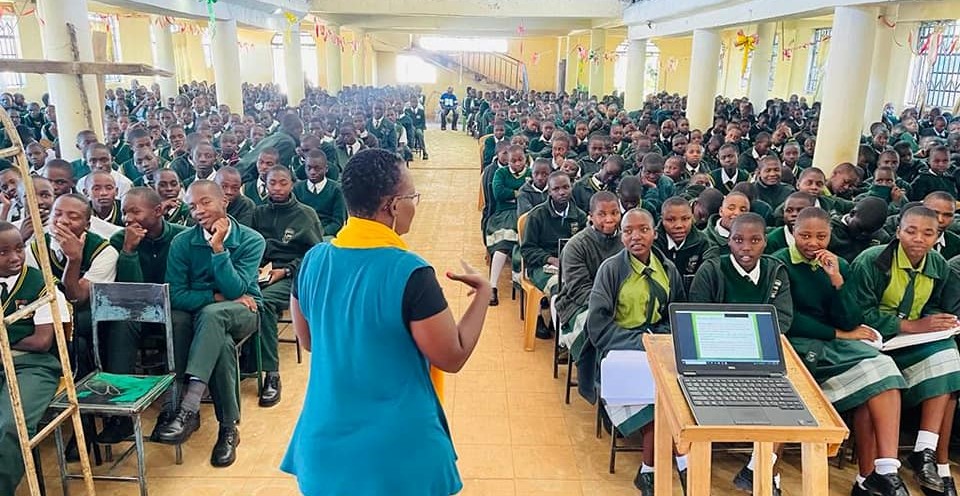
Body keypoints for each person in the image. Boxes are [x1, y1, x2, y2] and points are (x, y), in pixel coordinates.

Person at [281, 148, 491, 496]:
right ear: (392, 206)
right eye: (412, 197)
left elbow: (309, 340)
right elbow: (451, 356)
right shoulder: (410, 272)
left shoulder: (313, 260)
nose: (414, 206)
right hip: (396, 455)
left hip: (324, 445)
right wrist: (483, 294)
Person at [772, 207, 910, 496]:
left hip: (831, 344)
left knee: (882, 372)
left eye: (820, 236)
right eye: (805, 235)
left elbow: (849, 319)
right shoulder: (779, 263)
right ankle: (767, 473)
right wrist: (838, 334)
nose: (813, 243)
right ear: (793, 233)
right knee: (801, 385)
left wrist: (836, 280)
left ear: (830, 235)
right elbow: (787, 319)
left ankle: (885, 469)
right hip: (797, 343)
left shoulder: (839, 265)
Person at [155, 180, 265, 468]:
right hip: (206, 317)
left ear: (224, 201)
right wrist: (214, 296)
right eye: (192, 206)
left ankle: (187, 408)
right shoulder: (182, 242)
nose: (199, 211)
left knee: (214, 315)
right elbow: (175, 295)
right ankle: (229, 429)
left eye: (205, 202)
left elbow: (237, 289)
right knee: (222, 342)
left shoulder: (252, 240)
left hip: (244, 312)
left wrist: (218, 249)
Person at [852, 206, 960, 496]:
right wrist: (909, 325)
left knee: (948, 355)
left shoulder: (938, 265)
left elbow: (933, 305)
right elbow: (858, 312)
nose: (918, 239)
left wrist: (939, 322)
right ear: (898, 231)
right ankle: (869, 479)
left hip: (908, 342)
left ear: (937, 236)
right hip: (870, 340)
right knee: (877, 381)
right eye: (911, 231)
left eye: (928, 233)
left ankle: (924, 450)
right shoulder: (872, 260)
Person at [580, 208, 687, 496]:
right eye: (628, 231)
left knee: (676, 396)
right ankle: (666, 466)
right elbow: (598, 326)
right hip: (619, 350)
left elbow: (676, 314)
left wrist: (659, 337)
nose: (635, 237)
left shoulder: (668, 269)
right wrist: (640, 341)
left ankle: (666, 466)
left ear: (655, 233)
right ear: (622, 236)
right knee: (656, 403)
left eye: (643, 230)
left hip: (658, 345)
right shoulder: (611, 270)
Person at [689, 212, 793, 493]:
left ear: (765, 242)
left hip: (761, 354)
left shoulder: (775, 271)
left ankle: (759, 467)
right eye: (738, 240)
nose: (746, 247)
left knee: (786, 395)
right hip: (716, 354)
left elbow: (782, 320)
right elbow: (699, 318)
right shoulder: (712, 270)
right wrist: (741, 335)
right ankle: (760, 473)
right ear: (729, 241)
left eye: (755, 240)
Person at [101, 187, 191, 443]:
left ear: (158, 211)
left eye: (135, 211)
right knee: (121, 323)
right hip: (139, 309)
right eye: (124, 212)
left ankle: (173, 405)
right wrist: (129, 251)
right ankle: (121, 413)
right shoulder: (120, 240)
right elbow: (130, 292)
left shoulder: (181, 237)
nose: (128, 218)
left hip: (175, 308)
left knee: (181, 322)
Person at [0, 221, 71, 495]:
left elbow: (42, 342)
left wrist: (4, 337)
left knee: (11, 425)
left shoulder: (41, 284)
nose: (15, 257)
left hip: (33, 365)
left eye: (19, 248)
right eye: (3, 252)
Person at [250, 165, 324, 408]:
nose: (277, 188)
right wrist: (257, 269)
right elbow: (250, 246)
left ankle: (271, 373)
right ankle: (247, 361)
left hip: (294, 275)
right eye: (272, 183)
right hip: (261, 273)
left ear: (292, 184)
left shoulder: (305, 214)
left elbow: (314, 256)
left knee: (264, 302)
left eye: (283, 183)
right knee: (235, 296)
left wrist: (286, 270)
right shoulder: (258, 213)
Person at [555, 191, 623, 362]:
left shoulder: (627, 241)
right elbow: (579, 289)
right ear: (590, 216)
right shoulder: (576, 246)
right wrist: (610, 306)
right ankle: (593, 372)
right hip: (579, 303)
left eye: (614, 213)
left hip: (622, 302)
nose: (610, 219)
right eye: (602, 214)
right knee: (596, 326)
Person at [485, 144, 529, 306]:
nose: (517, 163)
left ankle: (527, 284)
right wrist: (519, 193)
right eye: (513, 161)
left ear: (525, 158)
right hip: (503, 214)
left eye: (520, 159)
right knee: (503, 244)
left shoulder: (532, 173)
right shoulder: (501, 173)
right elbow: (498, 193)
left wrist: (512, 194)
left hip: (526, 213)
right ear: (507, 161)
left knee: (530, 242)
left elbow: (534, 194)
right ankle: (492, 286)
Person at [654, 196, 712, 288]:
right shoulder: (653, 244)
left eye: (685, 219)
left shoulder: (702, 242)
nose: (679, 225)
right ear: (662, 219)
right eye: (671, 220)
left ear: (692, 218)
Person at [292, 149, 347, 239]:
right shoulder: (297, 188)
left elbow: (337, 222)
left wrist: (319, 234)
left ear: (326, 169)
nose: (312, 172)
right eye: (308, 168)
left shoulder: (336, 189)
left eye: (317, 168)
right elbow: (294, 217)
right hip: (302, 233)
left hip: (327, 235)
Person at [828, 197, 891, 263]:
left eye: (870, 231)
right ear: (852, 213)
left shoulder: (881, 238)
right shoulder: (830, 231)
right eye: (860, 228)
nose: (864, 234)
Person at [701, 191, 750, 255]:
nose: (737, 213)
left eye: (743, 210)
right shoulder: (703, 239)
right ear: (721, 211)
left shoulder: (755, 238)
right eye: (731, 208)